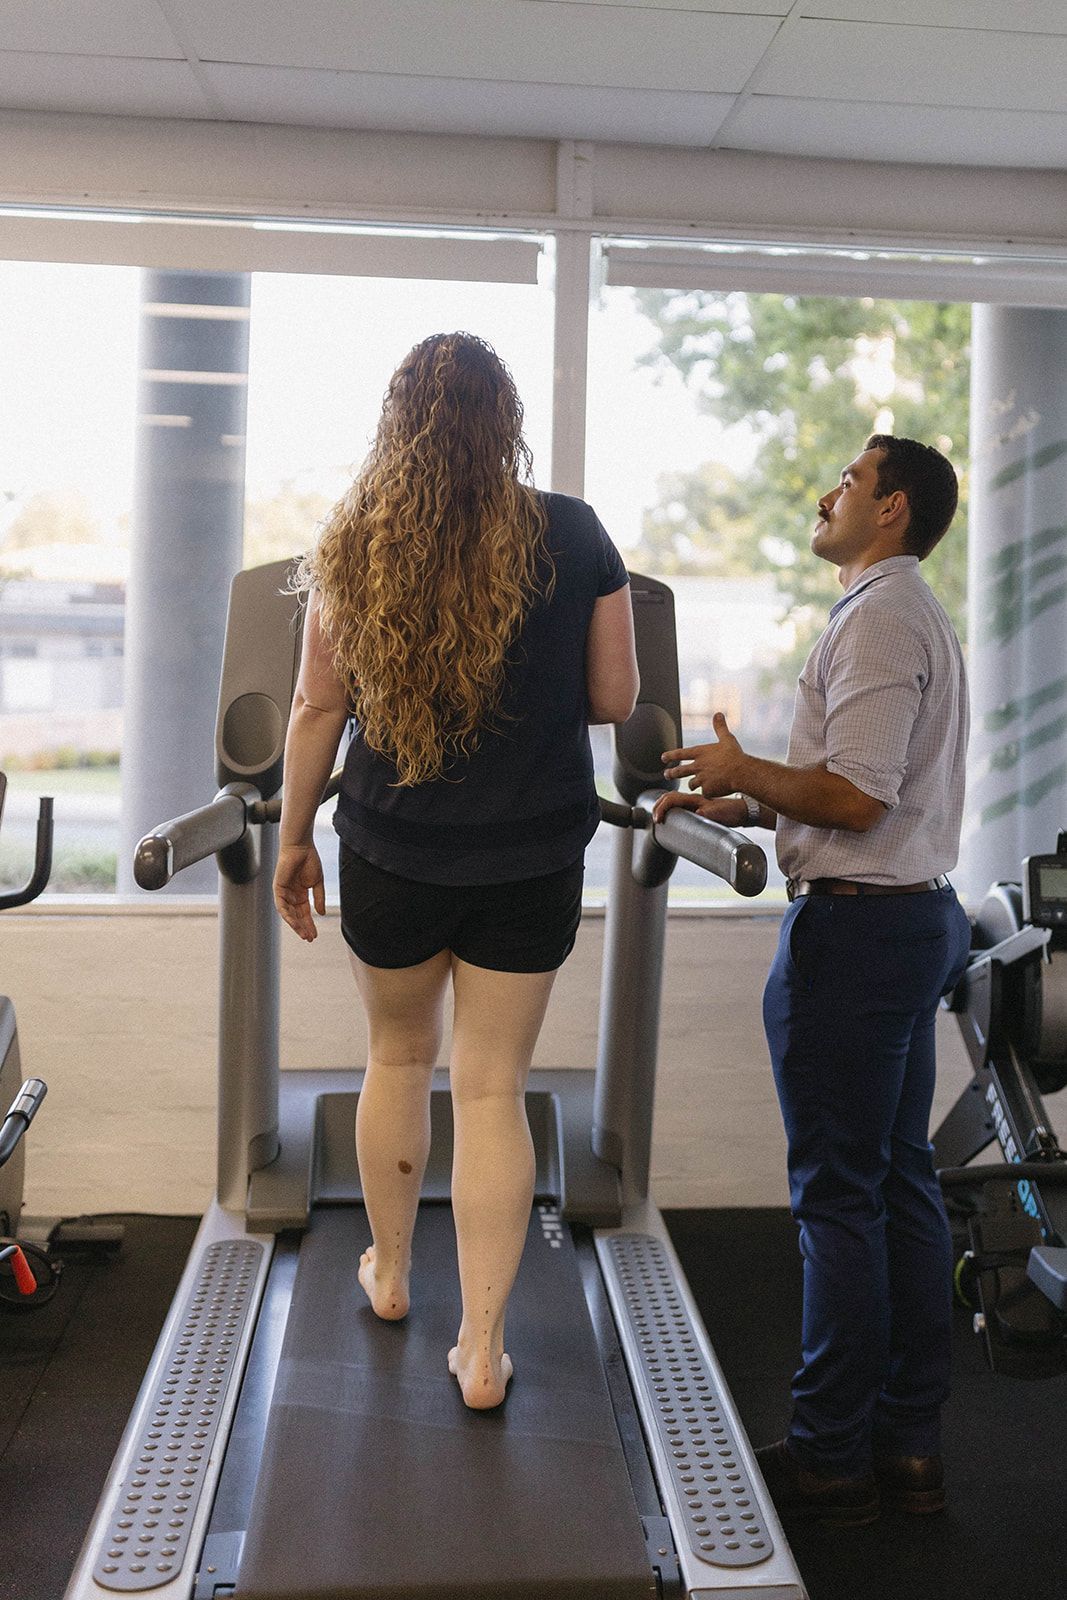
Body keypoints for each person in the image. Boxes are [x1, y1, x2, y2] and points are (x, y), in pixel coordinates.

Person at [272, 331, 638, 1410]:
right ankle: (481, 1347)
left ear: (399, 420)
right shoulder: (572, 532)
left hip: (392, 850)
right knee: (491, 1088)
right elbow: (614, 700)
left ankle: (390, 1277)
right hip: (530, 857)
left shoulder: (358, 536)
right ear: (506, 418)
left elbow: (314, 710)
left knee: (396, 1061)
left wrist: (295, 836)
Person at [654, 435, 971, 1524]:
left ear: (888, 509)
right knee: (895, 1185)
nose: (824, 490)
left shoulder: (881, 616)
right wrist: (736, 802)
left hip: (860, 935)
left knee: (838, 1198)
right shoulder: (897, 610)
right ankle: (906, 1445)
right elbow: (839, 785)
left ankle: (831, 1449)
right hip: (903, 921)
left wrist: (748, 769)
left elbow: (859, 797)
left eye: (846, 477)